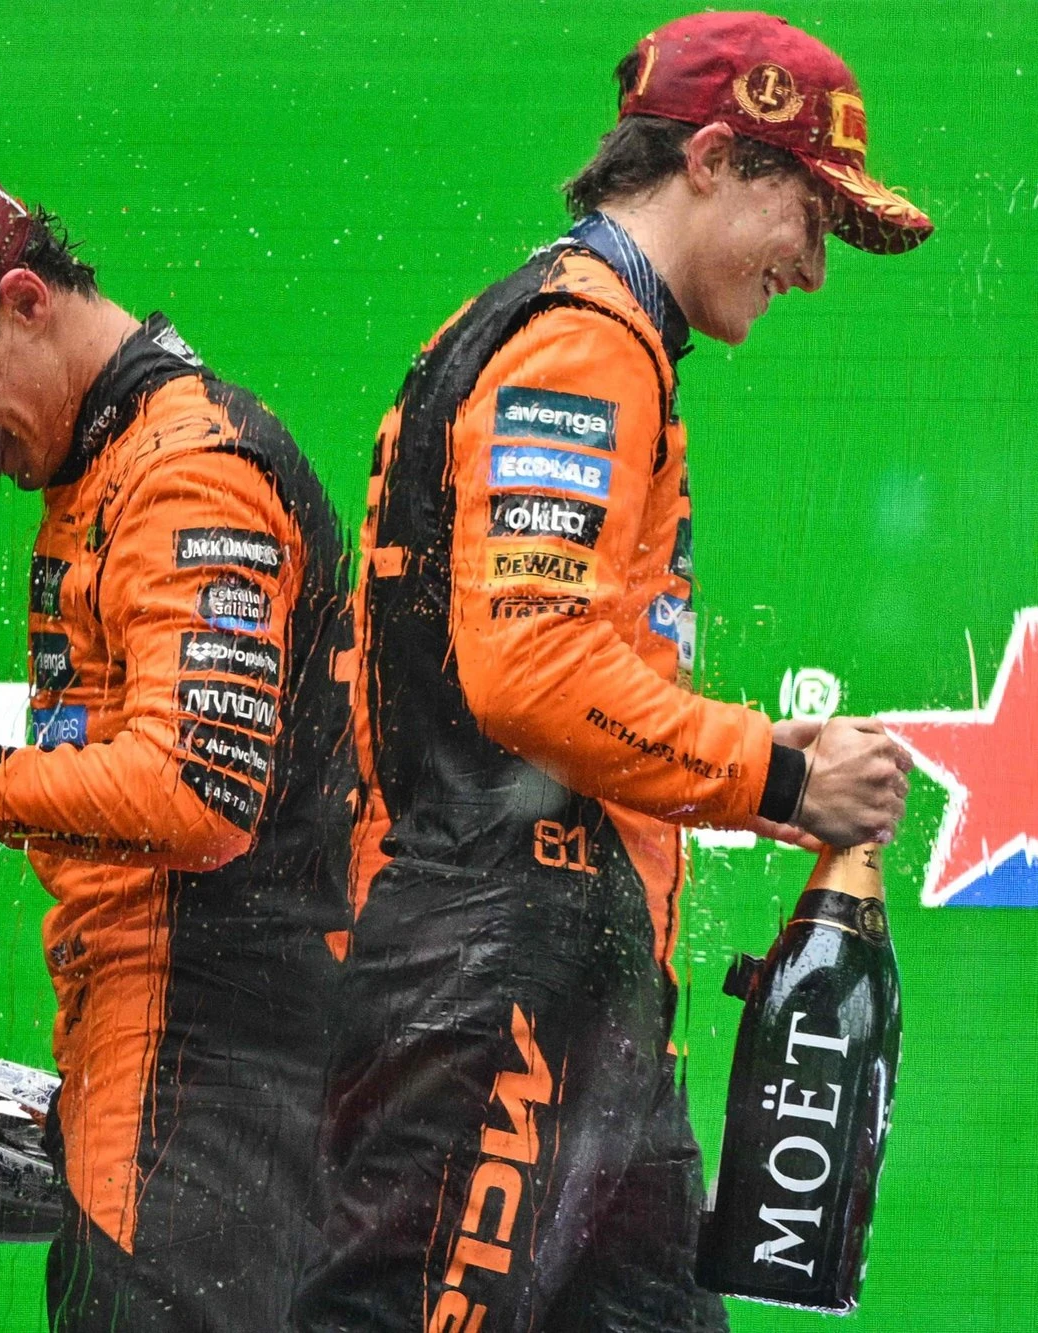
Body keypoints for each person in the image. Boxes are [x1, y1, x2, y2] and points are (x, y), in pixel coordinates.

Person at [295, 13, 927, 1331]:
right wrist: (782, 778)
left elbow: (550, 676)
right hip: (497, 967)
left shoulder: (586, 330)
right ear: (713, 159)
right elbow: (531, 673)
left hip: (569, 973)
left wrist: (755, 772)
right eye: (808, 215)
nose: (813, 268)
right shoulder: (579, 338)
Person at [0, 164, 349, 1331]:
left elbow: (196, 794)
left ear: (25, 302)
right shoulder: (104, 468)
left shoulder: (188, 475)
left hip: (210, 1103)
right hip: (167, 1098)